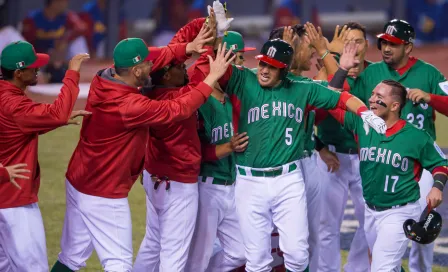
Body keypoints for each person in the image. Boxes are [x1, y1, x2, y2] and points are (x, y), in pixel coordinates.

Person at [50, 24, 230, 271]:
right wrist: (211, 78)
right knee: (120, 264)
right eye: (147, 64)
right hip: (104, 191)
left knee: (71, 257)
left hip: (79, 179)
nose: (151, 66)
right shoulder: (129, 105)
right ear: (135, 70)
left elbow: (159, 58)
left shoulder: (105, 76)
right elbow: (177, 109)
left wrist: (187, 47)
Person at [200, 35, 386, 271]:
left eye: (273, 67)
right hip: (249, 182)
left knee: (298, 255)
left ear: (285, 70)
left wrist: (365, 113)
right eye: (263, 63)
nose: (265, 70)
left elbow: (341, 96)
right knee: (257, 260)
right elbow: (213, 64)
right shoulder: (242, 78)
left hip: (288, 181)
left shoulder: (301, 89)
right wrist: (213, 35)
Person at [349, 19, 448, 272]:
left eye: (393, 44)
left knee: (421, 235)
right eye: (384, 42)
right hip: (381, 156)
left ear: (409, 47)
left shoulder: (429, 73)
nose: (386, 48)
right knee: (380, 234)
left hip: (419, 160)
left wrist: (430, 97)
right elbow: (347, 101)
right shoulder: (371, 73)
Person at [328, 79, 447, 271]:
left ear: (395, 105)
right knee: (384, 263)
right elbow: (330, 100)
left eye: (379, 96)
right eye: (373, 94)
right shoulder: (362, 124)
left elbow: (440, 163)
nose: (371, 100)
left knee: (380, 267)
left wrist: (437, 187)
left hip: (399, 212)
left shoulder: (416, 136)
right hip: (371, 210)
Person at [0, 41, 89, 272]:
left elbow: (17, 127)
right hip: (14, 200)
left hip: (5, 198)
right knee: (33, 268)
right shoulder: (13, 103)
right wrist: (72, 73)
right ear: (18, 73)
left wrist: (51, 121)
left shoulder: (4, 96)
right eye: (32, 67)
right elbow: (54, 113)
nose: (37, 69)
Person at [267, 25, 340, 272]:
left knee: (310, 239)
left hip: (308, 162)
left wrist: (319, 146)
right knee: (272, 240)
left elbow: (332, 100)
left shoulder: (304, 84)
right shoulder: (265, 81)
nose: (312, 52)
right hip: (275, 168)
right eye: (307, 47)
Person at [309, 22, 372, 272]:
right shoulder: (328, 73)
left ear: (367, 45)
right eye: (347, 42)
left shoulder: (377, 74)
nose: (353, 47)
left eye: (358, 41)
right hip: (330, 157)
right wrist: (321, 148)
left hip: (367, 159)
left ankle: (357, 268)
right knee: (326, 225)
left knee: (371, 221)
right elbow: (306, 115)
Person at [22, 0, 88, 83]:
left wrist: (65, 40)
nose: (66, 4)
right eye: (63, 2)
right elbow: (27, 43)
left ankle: (74, 70)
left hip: (58, 54)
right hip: (39, 55)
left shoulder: (66, 16)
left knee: (78, 40)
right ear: (54, 2)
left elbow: (82, 28)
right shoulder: (33, 18)